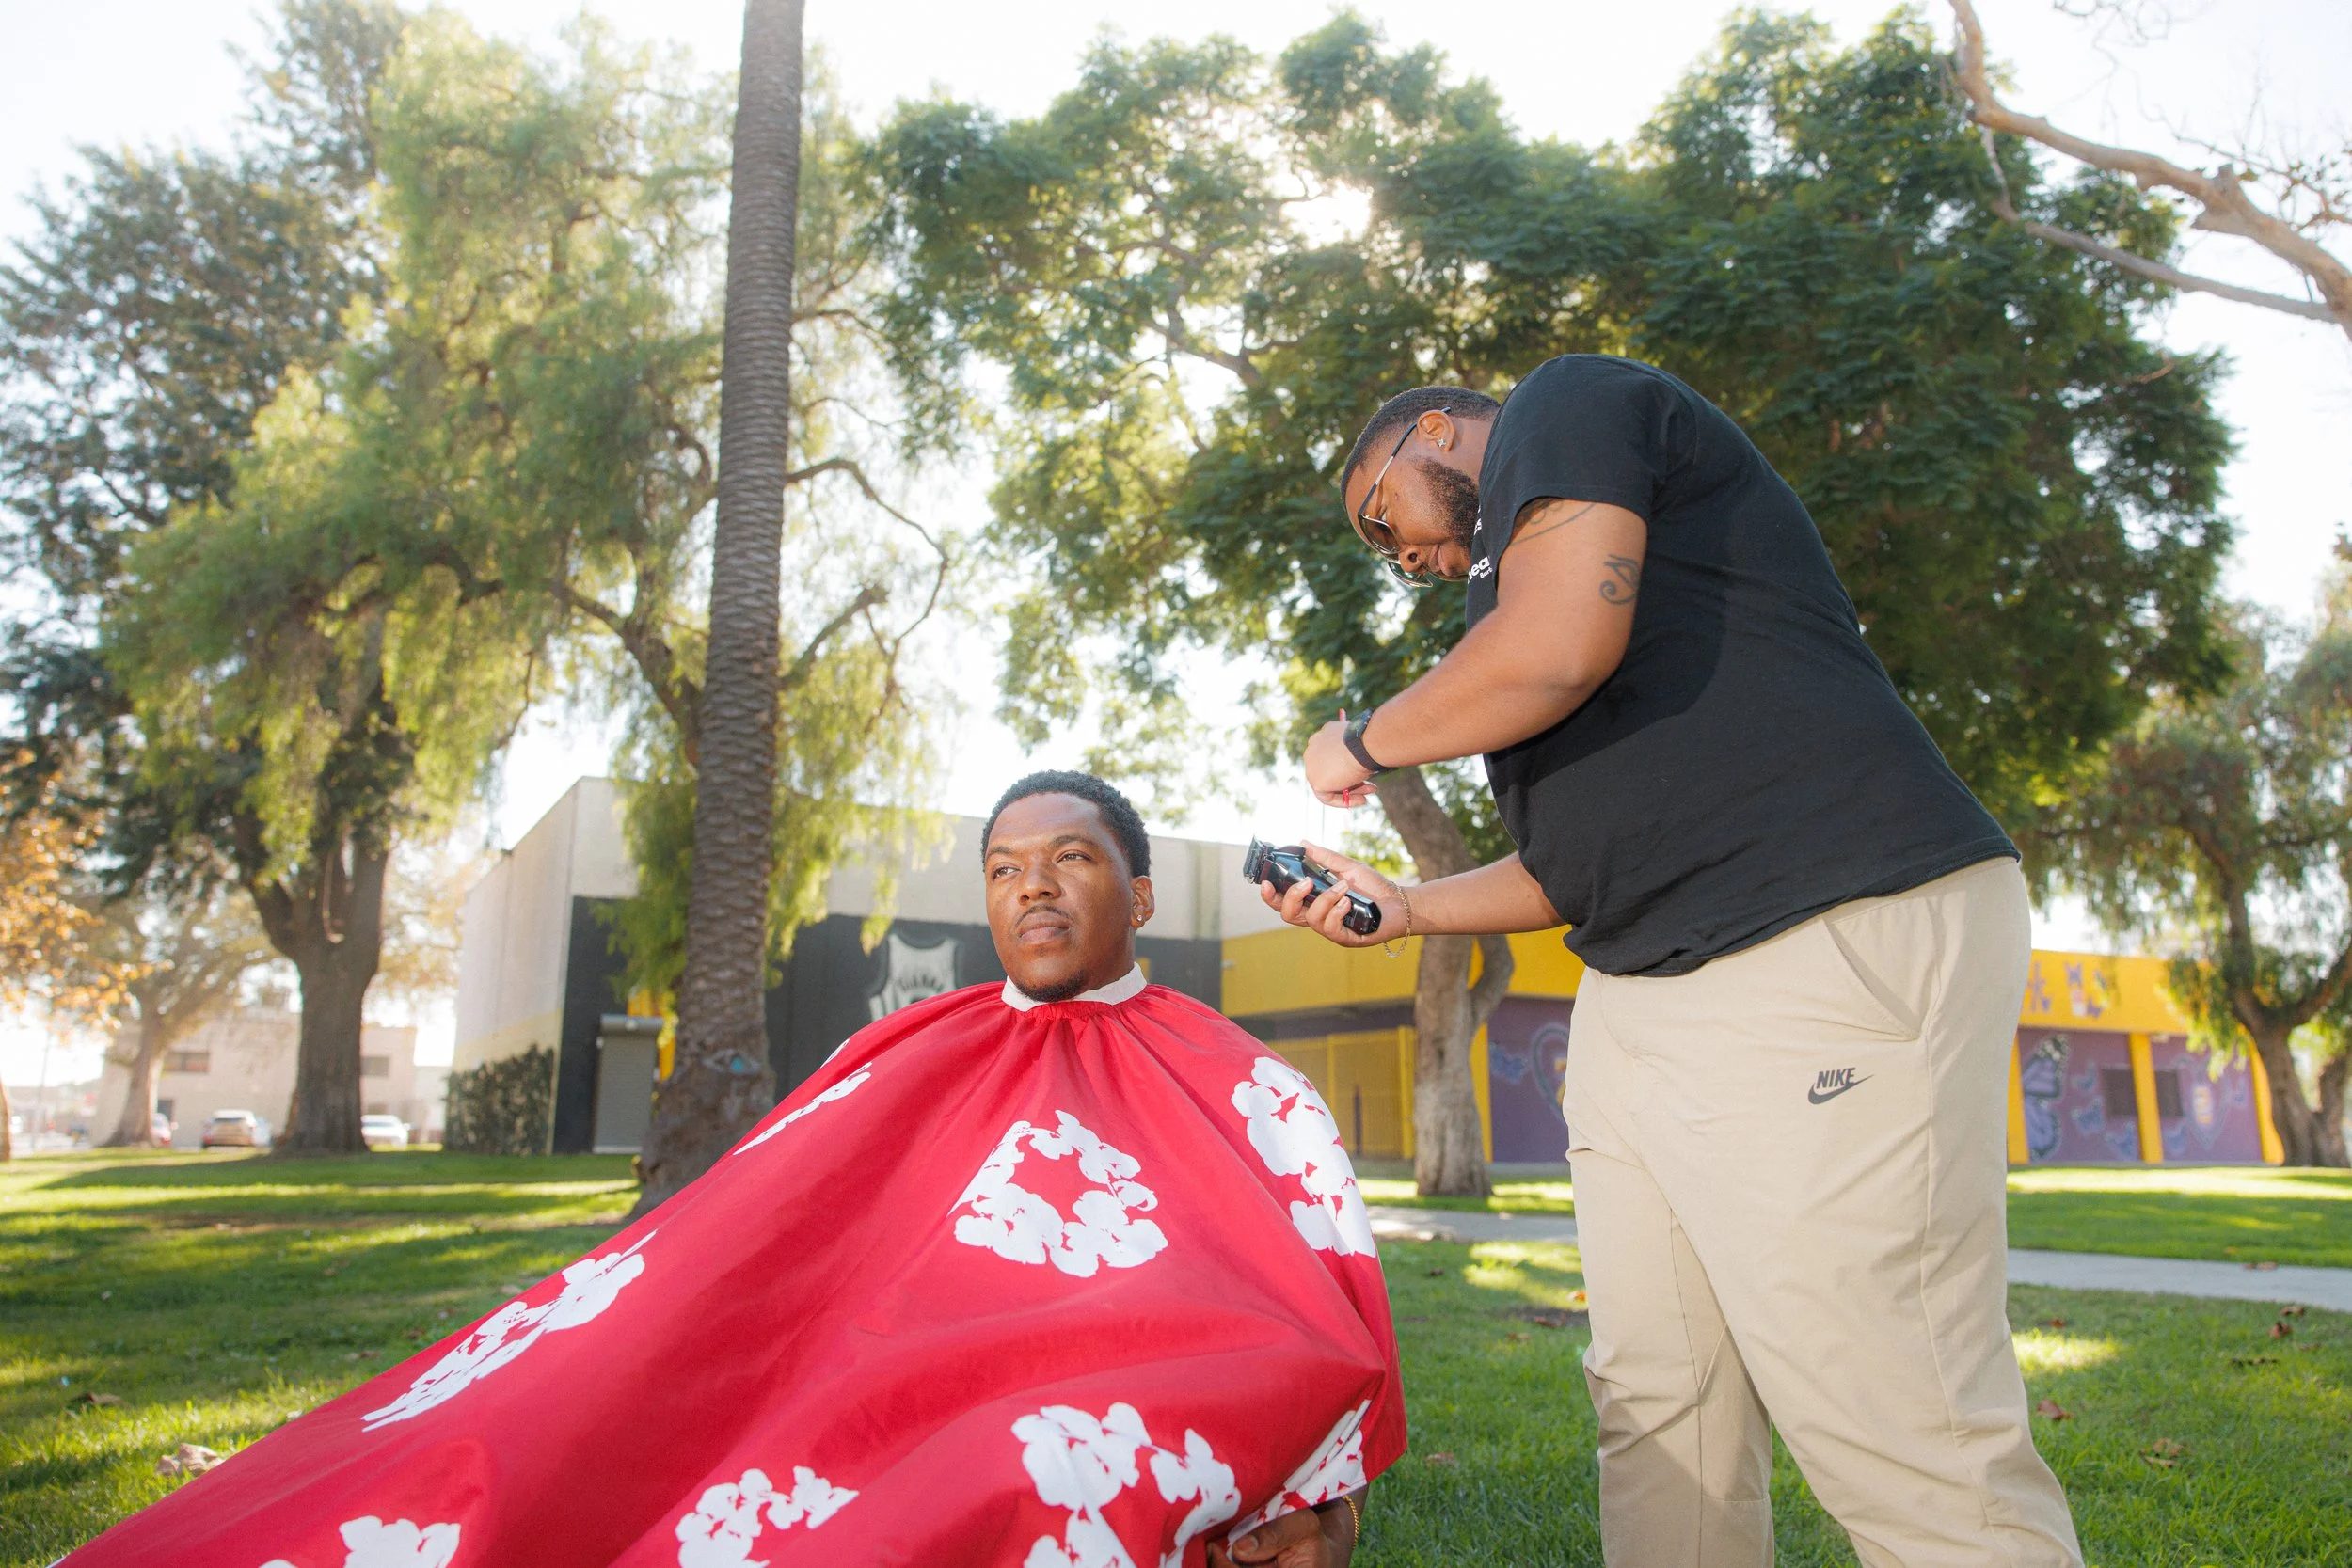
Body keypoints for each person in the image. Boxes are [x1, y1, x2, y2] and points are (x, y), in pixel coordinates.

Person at [63, 772, 1396, 1568]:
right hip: (861, 1374)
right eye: (1004, 868)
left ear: (1141, 896)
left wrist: (1319, 1496)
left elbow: (1325, 1286)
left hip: (1100, 1390)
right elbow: (759, 1234)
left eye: (1071, 862)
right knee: (535, 1422)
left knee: (1025, 1473)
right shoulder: (901, 1047)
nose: (1032, 890)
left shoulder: (1238, 1076)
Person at [1264, 356, 2082, 1566]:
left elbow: (1557, 646)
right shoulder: (1524, 602)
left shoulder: (1568, 402)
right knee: (1660, 1404)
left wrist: (1365, 742)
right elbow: (1571, 865)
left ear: (1433, 427)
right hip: (1644, 983)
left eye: (1387, 519)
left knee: (1894, 1412)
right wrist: (1406, 907)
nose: (1409, 561)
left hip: (1815, 923)